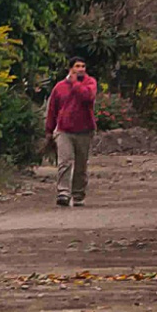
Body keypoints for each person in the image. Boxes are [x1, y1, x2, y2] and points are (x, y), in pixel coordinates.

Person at [45, 56, 98, 207]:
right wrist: (49, 130)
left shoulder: (90, 83)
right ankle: (63, 193)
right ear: (70, 68)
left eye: (83, 66)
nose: (81, 69)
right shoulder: (59, 87)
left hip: (84, 130)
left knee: (81, 165)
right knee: (65, 162)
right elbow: (52, 109)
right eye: (77, 66)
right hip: (64, 131)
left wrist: (75, 82)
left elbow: (87, 97)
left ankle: (78, 194)